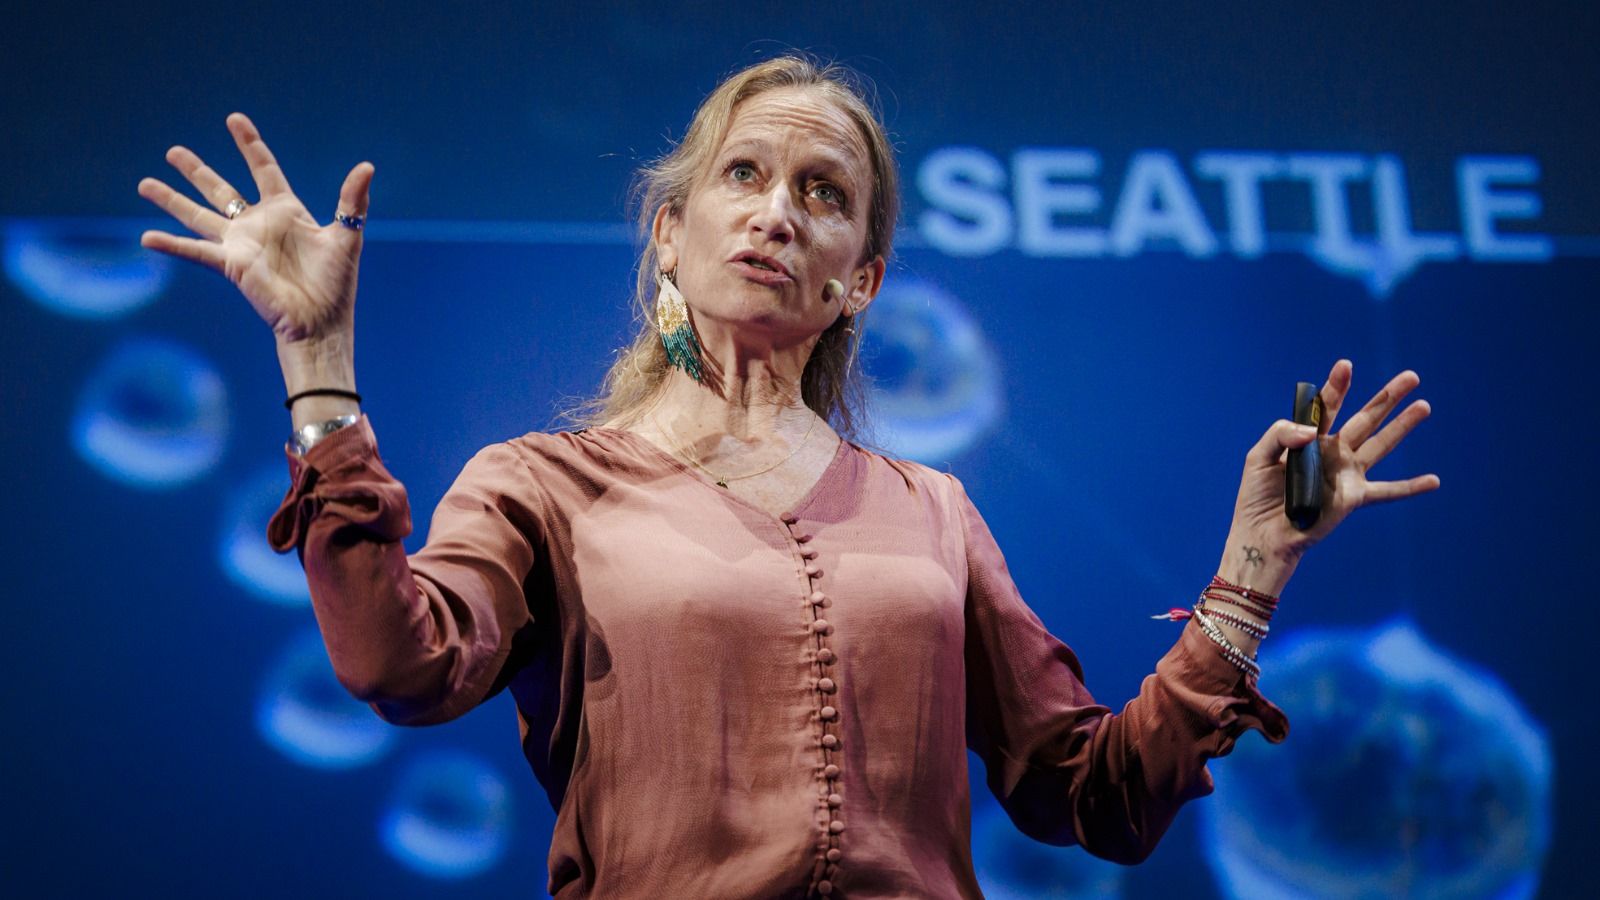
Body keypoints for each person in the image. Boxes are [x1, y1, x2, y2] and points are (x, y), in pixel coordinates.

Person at [135, 54, 1439, 899]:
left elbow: (1089, 797)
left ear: (861, 279)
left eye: (823, 193)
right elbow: (396, 666)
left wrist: (1252, 569)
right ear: (670, 235)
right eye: (744, 176)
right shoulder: (541, 486)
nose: (775, 211)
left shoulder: (934, 512)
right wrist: (317, 359)